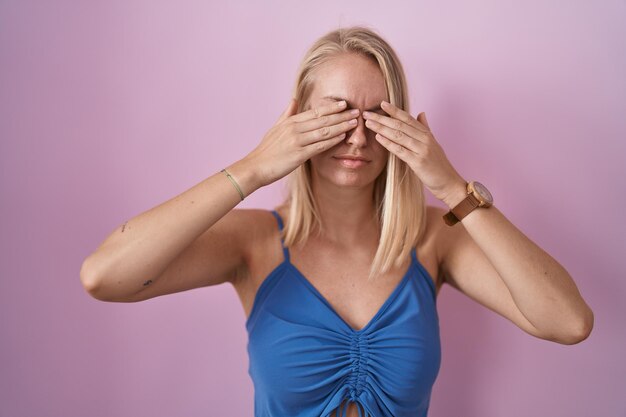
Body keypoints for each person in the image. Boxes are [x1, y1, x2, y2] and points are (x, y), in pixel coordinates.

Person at [80, 25, 594, 417]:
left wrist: (449, 187)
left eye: (377, 118)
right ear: (297, 118)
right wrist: (255, 166)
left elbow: (567, 323)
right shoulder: (254, 241)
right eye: (337, 115)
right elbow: (105, 277)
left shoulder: (436, 238)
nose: (357, 138)